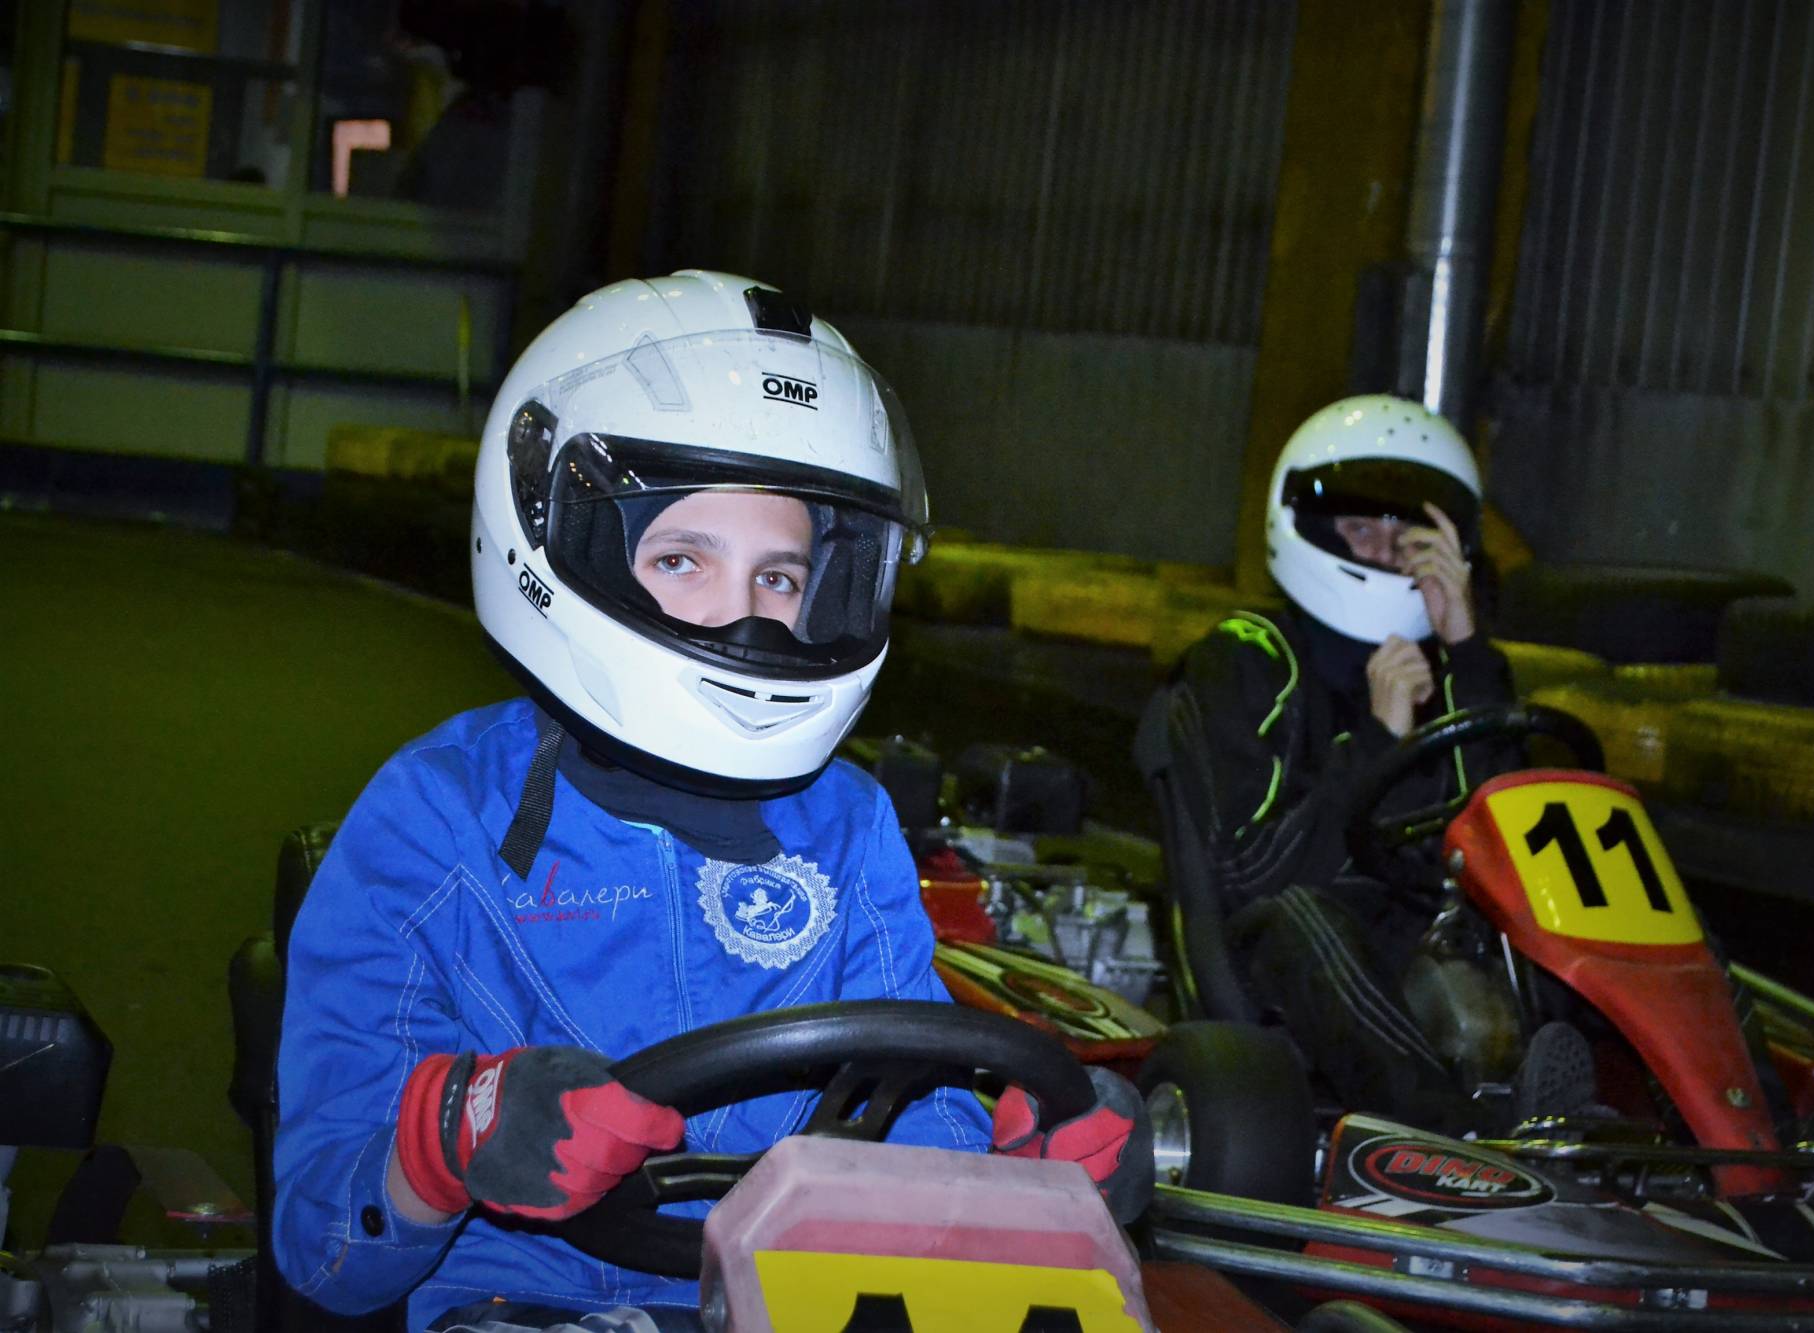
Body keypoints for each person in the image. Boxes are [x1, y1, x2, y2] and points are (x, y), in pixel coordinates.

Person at [272, 272, 1142, 1331]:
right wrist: (450, 1134)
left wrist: (1026, 1172)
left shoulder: (847, 824)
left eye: (780, 577)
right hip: (523, 1308)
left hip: (802, 1301)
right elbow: (324, 1252)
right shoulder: (437, 818)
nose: (747, 622)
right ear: (563, 540)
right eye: (684, 560)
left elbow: (913, 1122)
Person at [1143, 394, 1542, 1133]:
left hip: (1430, 943)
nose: (1387, 553)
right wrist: (1378, 736)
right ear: (1313, 529)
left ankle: (1730, 1130)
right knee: (1303, 917)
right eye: (1362, 530)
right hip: (1290, 968)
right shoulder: (1248, 655)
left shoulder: (1456, 673)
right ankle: (1457, 1137)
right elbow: (1255, 873)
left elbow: (1514, 838)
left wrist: (1467, 650)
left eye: (1406, 537)